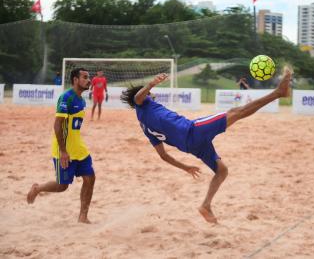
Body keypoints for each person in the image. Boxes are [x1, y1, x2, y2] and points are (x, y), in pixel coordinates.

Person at [120, 67, 292, 223]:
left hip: (190, 146)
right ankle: (278, 93)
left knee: (222, 170)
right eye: (149, 94)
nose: (151, 96)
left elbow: (163, 155)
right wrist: (151, 84)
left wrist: (185, 167)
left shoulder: (143, 125)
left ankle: (206, 205)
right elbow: (138, 97)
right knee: (236, 112)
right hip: (193, 130)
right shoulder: (143, 103)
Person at [27, 68, 96, 224]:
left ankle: (83, 216)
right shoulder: (66, 98)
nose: (88, 80)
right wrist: (63, 151)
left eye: (88, 77)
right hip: (64, 150)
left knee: (90, 178)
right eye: (85, 77)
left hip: (79, 148)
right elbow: (58, 125)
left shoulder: (82, 100)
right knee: (62, 186)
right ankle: (38, 188)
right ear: (75, 80)